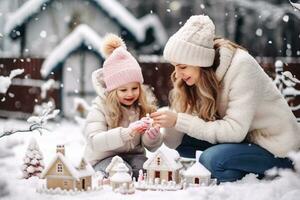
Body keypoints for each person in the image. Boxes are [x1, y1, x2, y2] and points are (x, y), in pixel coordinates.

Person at [151, 15, 300, 182]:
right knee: (184, 144)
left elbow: (234, 131)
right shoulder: (205, 76)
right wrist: (168, 124)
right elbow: (189, 129)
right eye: (175, 67)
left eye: (182, 67)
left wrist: (179, 120)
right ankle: (236, 164)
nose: (177, 74)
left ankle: (255, 176)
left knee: (211, 160)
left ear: (199, 61)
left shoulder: (242, 67)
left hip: (277, 148)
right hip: (247, 140)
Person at [84, 33, 162, 178]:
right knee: (121, 171)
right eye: (123, 90)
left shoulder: (142, 107)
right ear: (113, 91)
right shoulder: (100, 107)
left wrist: (152, 137)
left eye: (134, 88)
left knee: (145, 170)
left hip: (133, 156)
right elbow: (94, 140)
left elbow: (151, 147)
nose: (130, 94)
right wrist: (126, 133)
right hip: (102, 159)